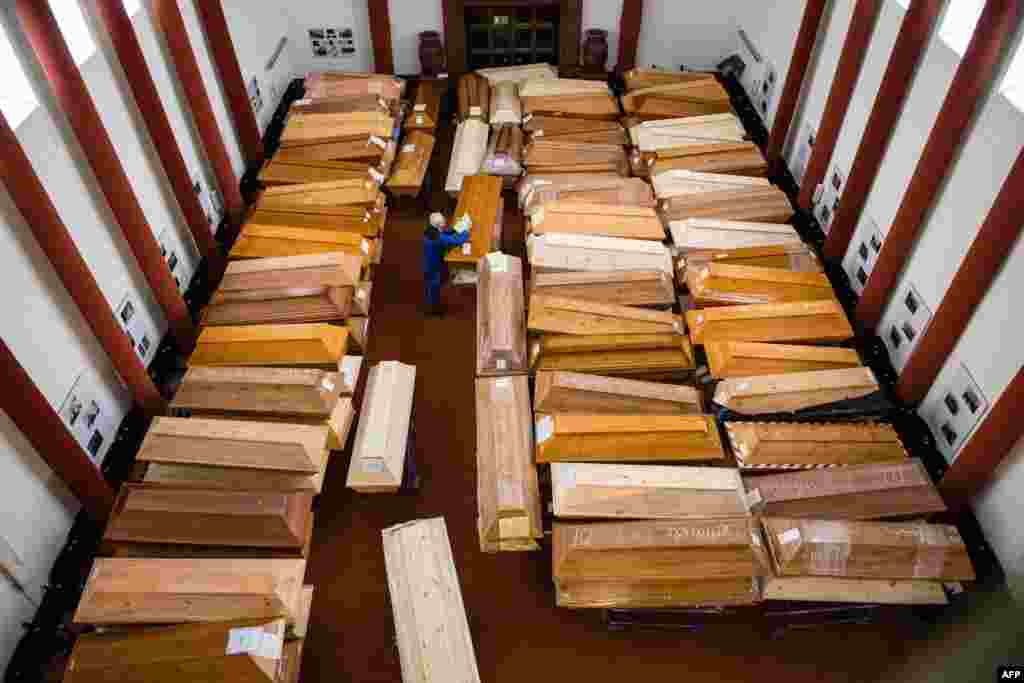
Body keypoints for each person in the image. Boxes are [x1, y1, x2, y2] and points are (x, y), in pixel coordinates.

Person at [423, 212, 469, 315]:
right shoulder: (438, 238)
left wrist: (454, 230)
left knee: (431, 286)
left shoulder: (430, 231)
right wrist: (466, 230)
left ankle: (433, 306)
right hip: (435, 265)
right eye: (443, 222)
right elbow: (457, 240)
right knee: (434, 286)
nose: (445, 223)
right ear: (439, 225)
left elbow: (445, 233)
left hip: (429, 261)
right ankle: (433, 310)